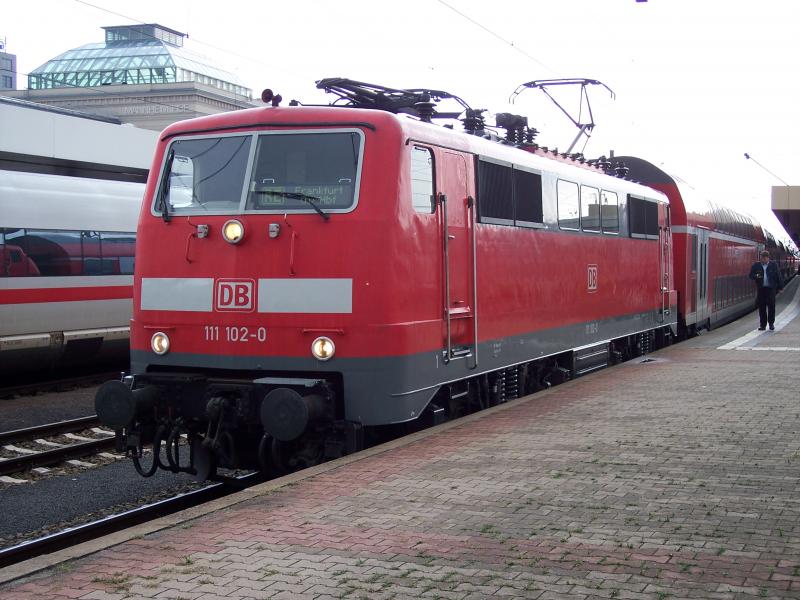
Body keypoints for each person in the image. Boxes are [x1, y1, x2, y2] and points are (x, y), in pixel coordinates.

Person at [749, 250, 784, 330]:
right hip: (761, 289)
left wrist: (780, 287)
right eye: (762, 258)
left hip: (771, 289)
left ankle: (771, 323)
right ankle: (763, 325)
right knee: (762, 307)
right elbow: (751, 275)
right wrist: (757, 276)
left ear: (768, 258)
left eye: (764, 258)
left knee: (771, 306)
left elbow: (778, 276)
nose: (763, 260)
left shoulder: (773, 265)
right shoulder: (756, 265)